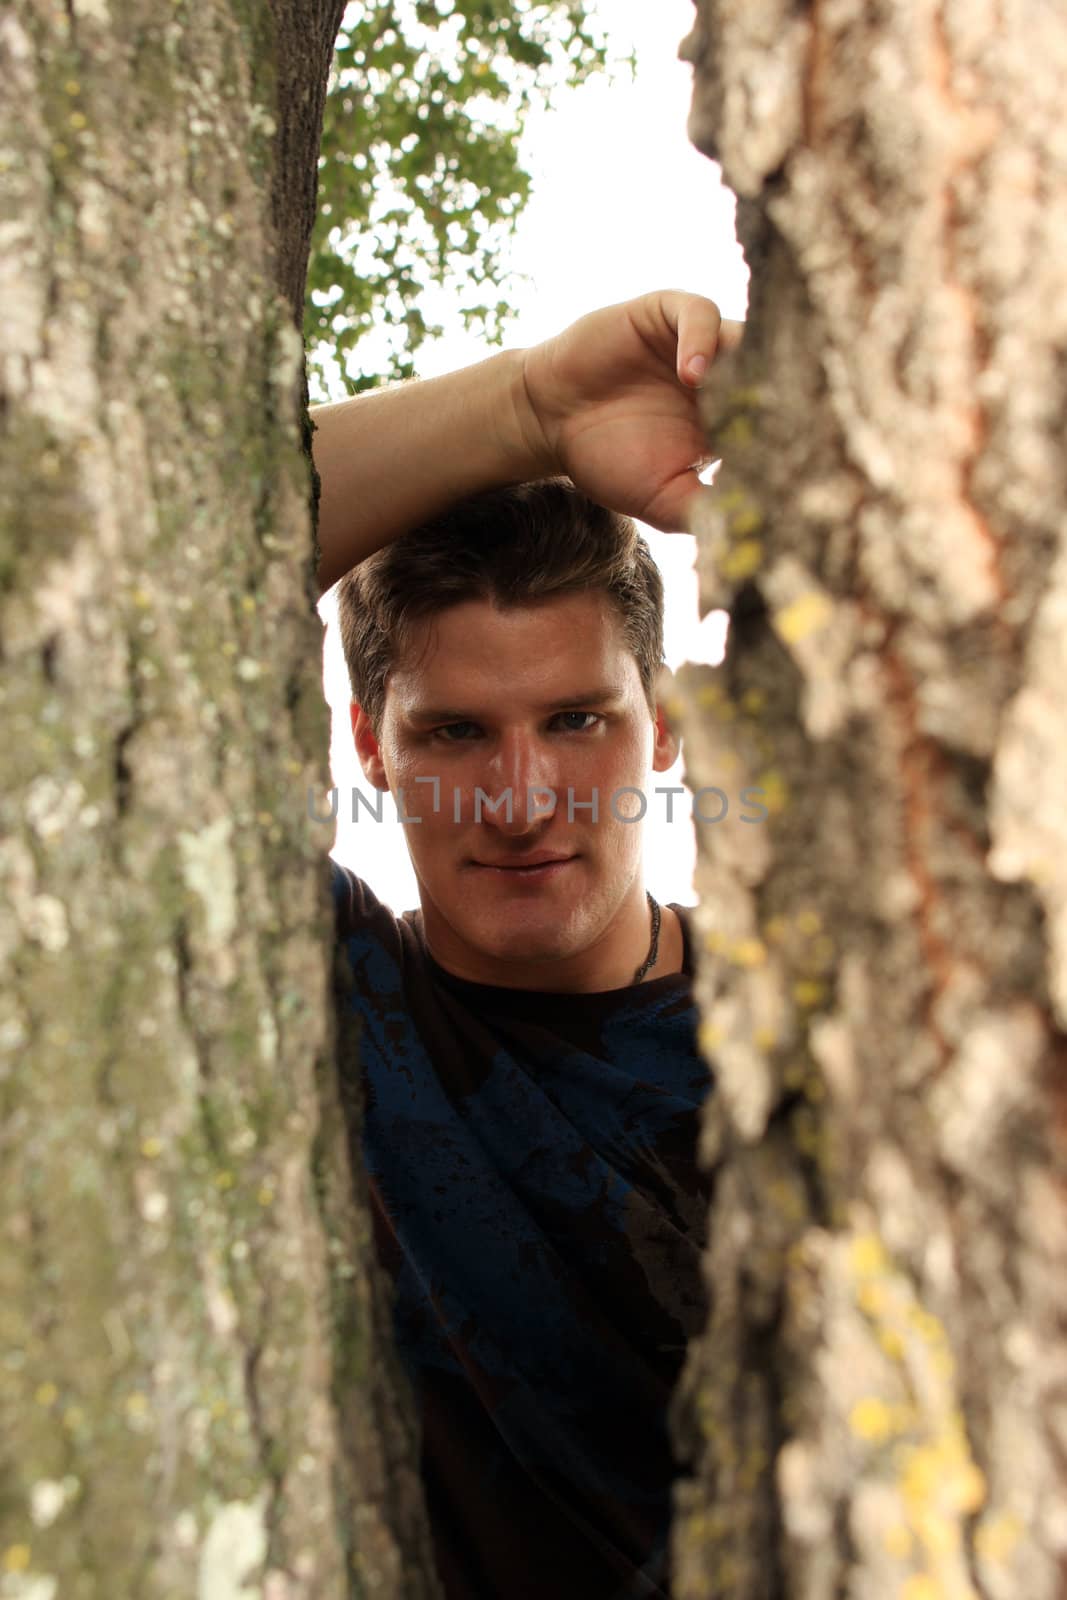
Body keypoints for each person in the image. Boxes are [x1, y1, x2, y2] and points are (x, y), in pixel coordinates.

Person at [312, 291, 739, 1599]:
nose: (519, 799)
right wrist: (531, 409)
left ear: (662, 726)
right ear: (371, 745)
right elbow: (89, 553)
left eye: (574, 721)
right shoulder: (324, 997)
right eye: (453, 733)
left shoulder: (804, 1033)